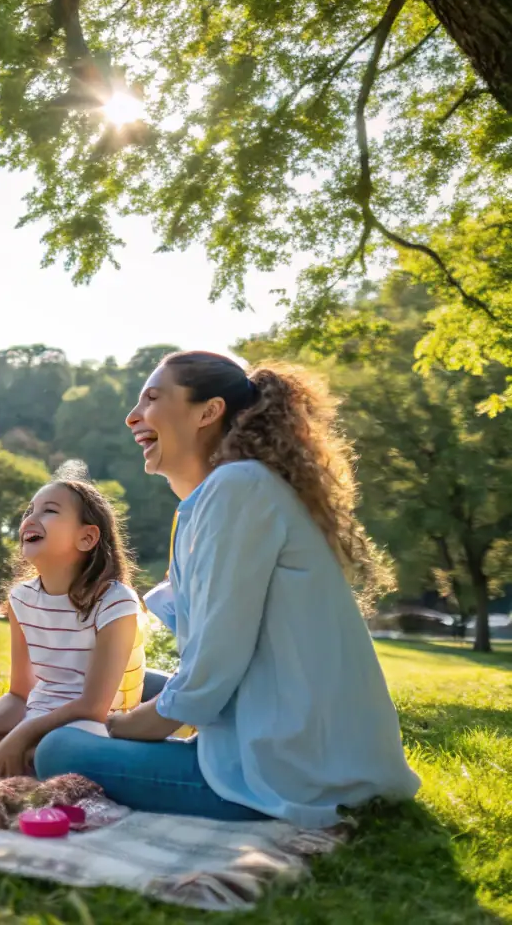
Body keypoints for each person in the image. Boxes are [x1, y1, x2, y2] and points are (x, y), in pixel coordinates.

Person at [33, 351, 420, 827]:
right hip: (291, 730)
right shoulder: (224, 495)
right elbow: (211, 646)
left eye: (152, 398)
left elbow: (215, 662)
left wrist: (132, 726)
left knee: (58, 747)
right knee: (108, 683)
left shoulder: (238, 488)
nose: (133, 416)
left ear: (208, 412)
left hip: (289, 772)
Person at [0, 472, 153, 778]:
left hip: (88, 728)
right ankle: (22, 765)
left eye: (49, 510)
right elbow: (20, 694)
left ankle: (19, 761)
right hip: (35, 716)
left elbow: (94, 707)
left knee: (58, 750)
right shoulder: (21, 599)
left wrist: (19, 735)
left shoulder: (116, 601)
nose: (31, 518)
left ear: (87, 537)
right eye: (29, 511)